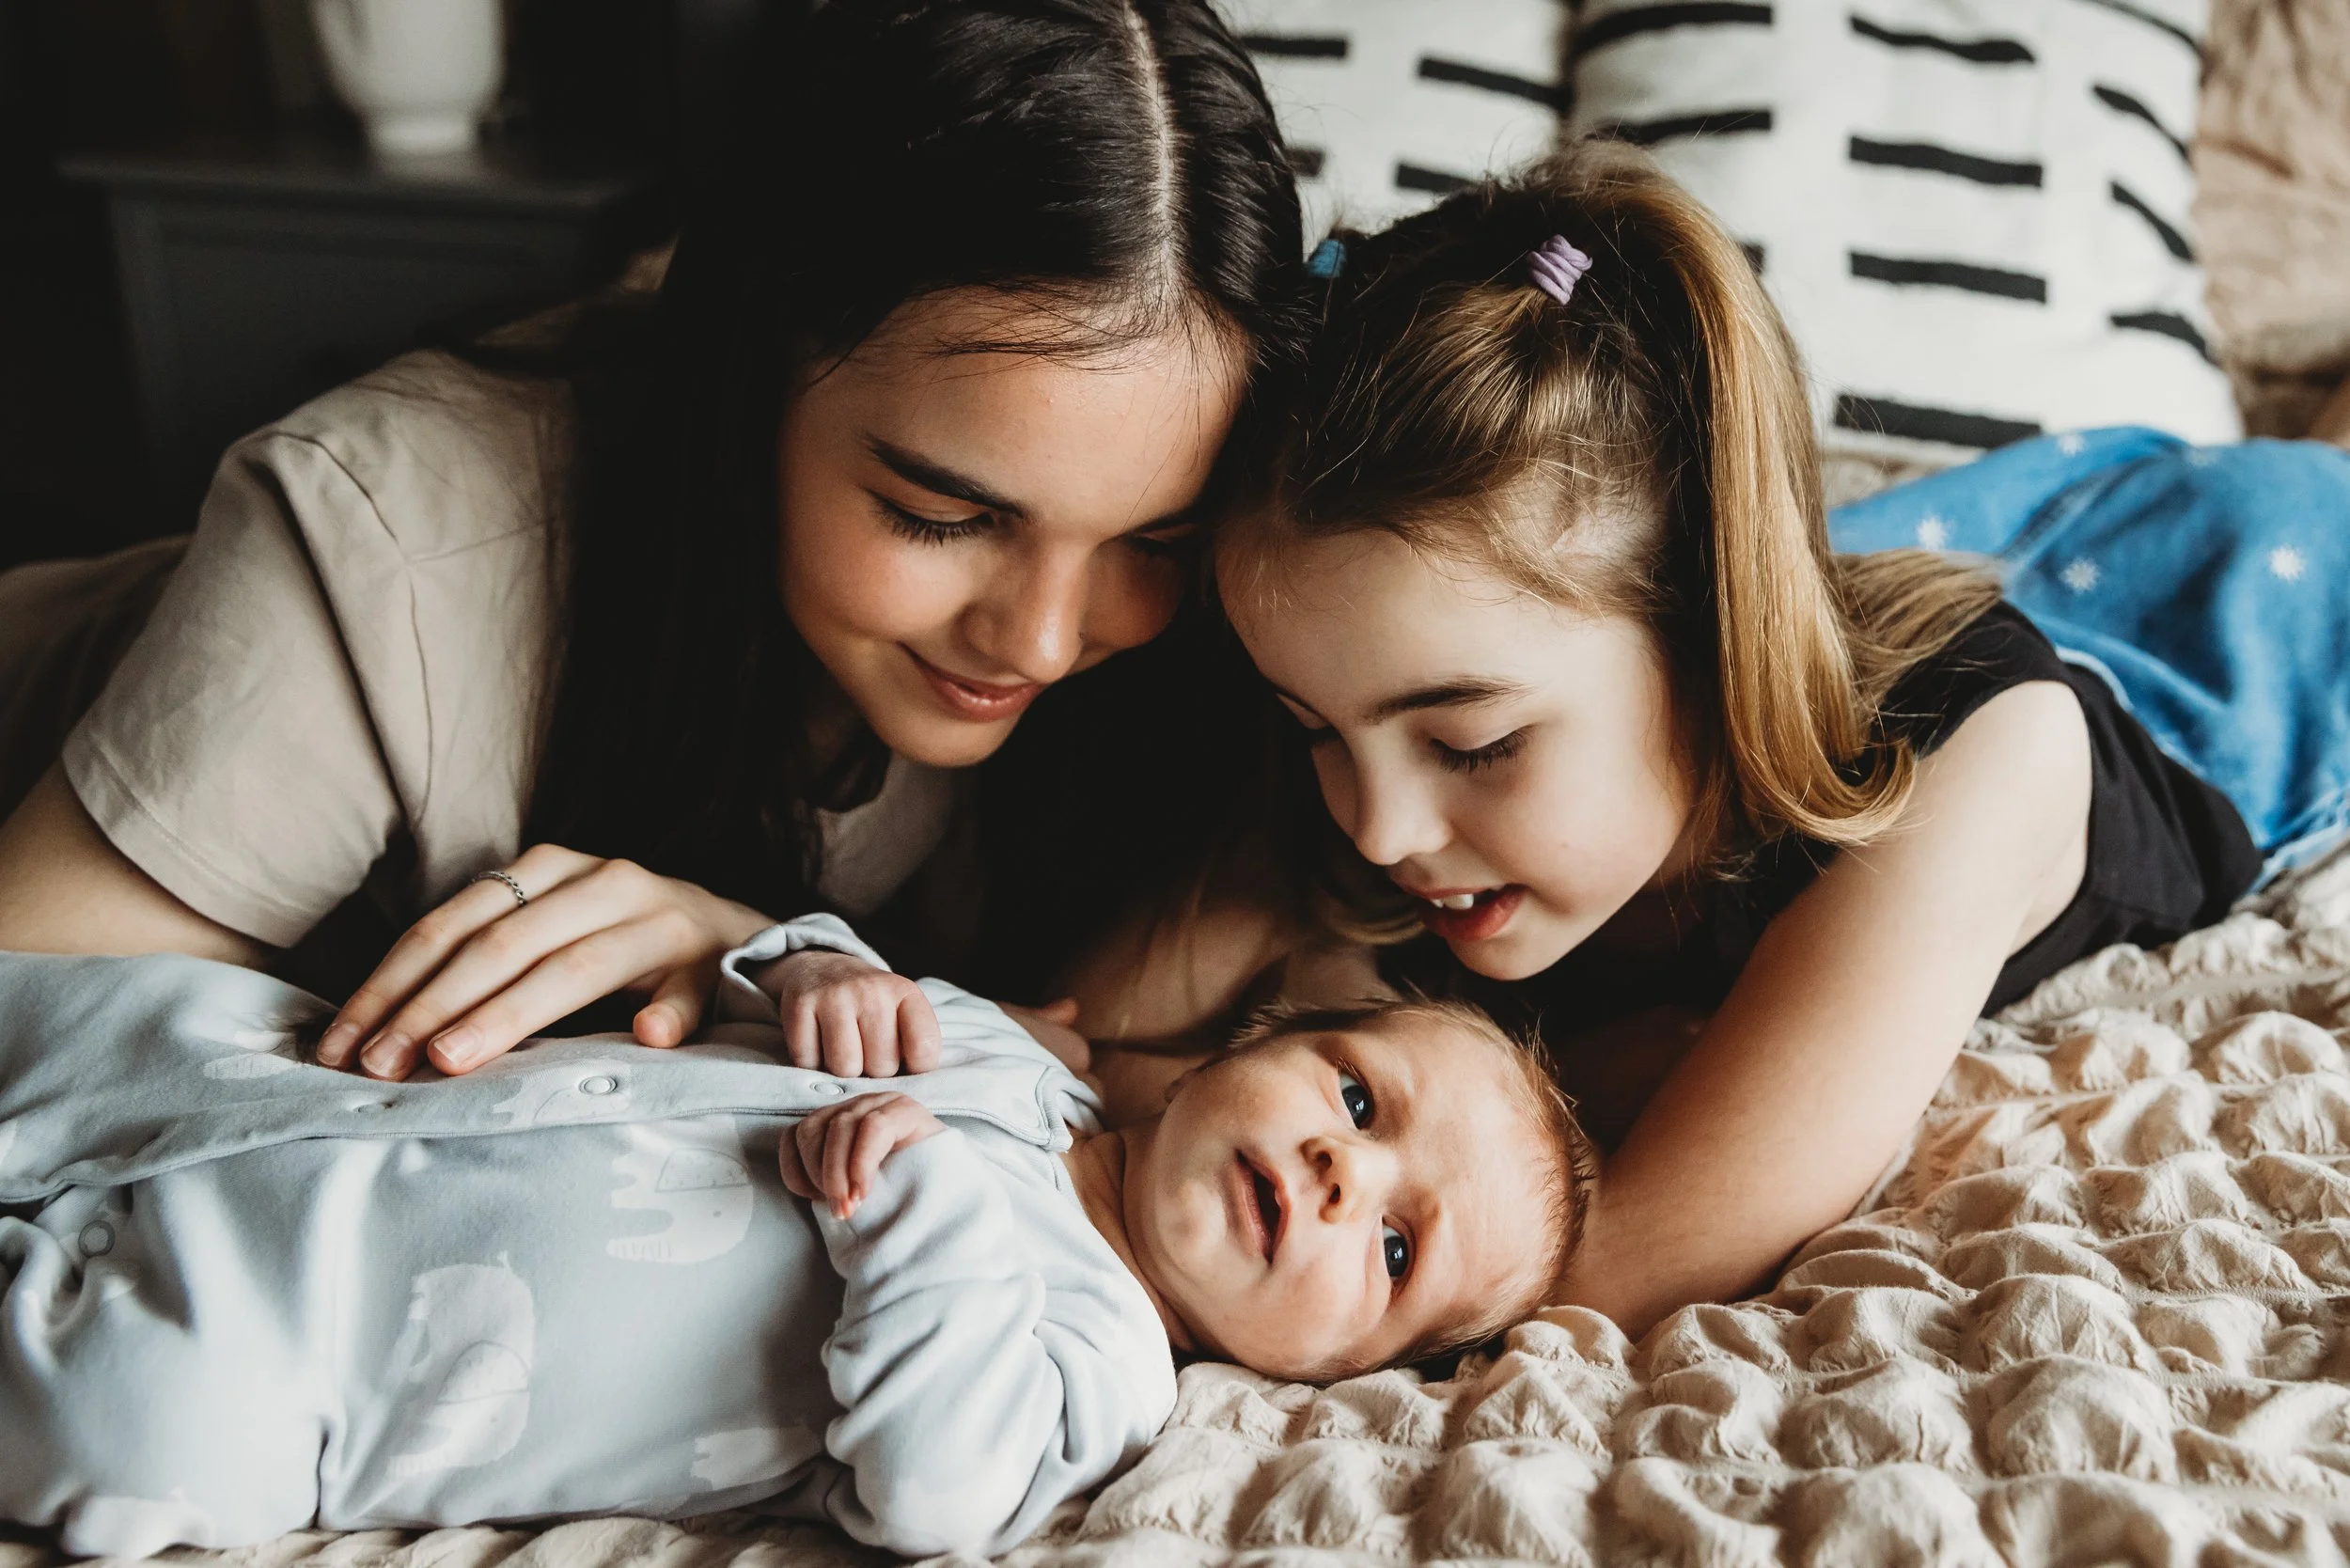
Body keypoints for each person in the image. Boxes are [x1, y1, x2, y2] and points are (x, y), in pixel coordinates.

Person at [1152, 142, 2350, 1337]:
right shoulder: (1434, 657)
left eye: (1471, 744)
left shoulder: (1980, 764)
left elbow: (1620, 1267)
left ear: (1713, 637)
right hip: (1962, 550)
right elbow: (1106, 1017)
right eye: (1312, 727)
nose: (1379, 829)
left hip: (2255, 610)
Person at [0, 0, 1301, 1082]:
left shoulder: (1210, 638)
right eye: (943, 516)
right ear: (753, 381)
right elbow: (33, 1050)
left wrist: (748, 953)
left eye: (1155, 542)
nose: (1040, 637)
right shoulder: (387, 543)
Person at [0, 916, 1588, 1559]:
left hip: (316, 1352)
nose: (1333, 1172)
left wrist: (926, 1225)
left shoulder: (1094, 1360)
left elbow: (935, 1486)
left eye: (1392, 1250)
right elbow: (774, 962)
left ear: (1345, 1373)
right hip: (304, 1074)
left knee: (125, 1419)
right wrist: (813, 964)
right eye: (1358, 1096)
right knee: (108, 1006)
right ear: (1263, 1032)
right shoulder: (1000, 1057)